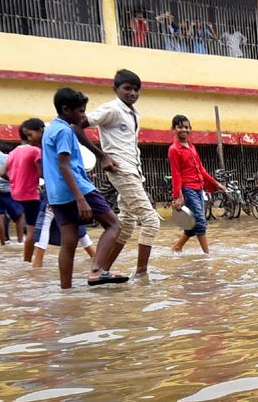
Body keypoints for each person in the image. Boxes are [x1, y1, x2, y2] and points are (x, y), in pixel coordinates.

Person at [42, 87, 127, 288]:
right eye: (80, 111)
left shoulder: (49, 131)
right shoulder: (65, 131)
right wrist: (80, 199)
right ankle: (97, 271)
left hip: (56, 195)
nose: (83, 116)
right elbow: (64, 165)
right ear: (66, 109)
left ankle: (66, 290)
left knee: (68, 243)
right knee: (114, 225)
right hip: (77, 189)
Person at [82, 69, 160, 277]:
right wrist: (101, 156)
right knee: (151, 221)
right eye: (127, 89)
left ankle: (101, 271)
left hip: (133, 170)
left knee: (127, 223)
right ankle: (141, 274)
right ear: (115, 89)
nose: (133, 93)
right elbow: (78, 126)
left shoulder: (133, 113)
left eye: (136, 89)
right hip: (120, 169)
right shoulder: (111, 109)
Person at [169, 115, 220, 254]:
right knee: (201, 222)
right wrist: (178, 196)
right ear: (173, 129)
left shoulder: (191, 147)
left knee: (194, 222)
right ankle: (207, 254)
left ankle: (177, 247)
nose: (183, 130)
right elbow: (176, 174)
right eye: (180, 127)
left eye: (186, 127)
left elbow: (201, 169)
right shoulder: (174, 149)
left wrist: (215, 182)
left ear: (190, 129)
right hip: (187, 189)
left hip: (198, 188)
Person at [3, 118, 45, 263]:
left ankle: (30, 260)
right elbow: (41, 174)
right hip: (31, 194)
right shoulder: (35, 150)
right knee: (33, 229)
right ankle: (28, 261)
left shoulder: (13, 152)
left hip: (17, 193)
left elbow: (2, 172)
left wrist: (16, 181)